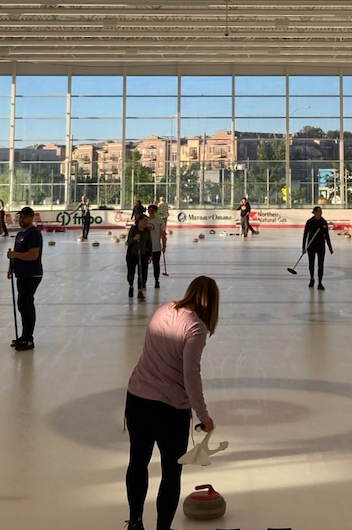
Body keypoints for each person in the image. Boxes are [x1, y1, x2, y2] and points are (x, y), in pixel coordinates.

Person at [125, 276, 220, 530]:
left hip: (137, 398)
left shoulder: (164, 309)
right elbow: (191, 376)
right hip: (169, 411)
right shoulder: (196, 328)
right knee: (170, 472)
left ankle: (135, 521)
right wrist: (204, 416)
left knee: (137, 461)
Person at [6, 207, 43, 351]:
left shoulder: (33, 234)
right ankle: (24, 336)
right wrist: (12, 266)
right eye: (20, 217)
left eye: (25, 217)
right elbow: (18, 253)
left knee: (26, 305)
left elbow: (33, 255)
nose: (22, 220)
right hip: (21, 274)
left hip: (32, 274)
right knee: (22, 305)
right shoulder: (20, 234)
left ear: (31, 218)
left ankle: (29, 339)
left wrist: (15, 256)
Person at [302, 206, 334, 290]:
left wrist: (330, 247)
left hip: (321, 246)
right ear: (315, 212)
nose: (321, 213)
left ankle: (320, 282)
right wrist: (303, 247)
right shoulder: (309, 222)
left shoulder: (323, 222)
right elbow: (305, 235)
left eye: (321, 211)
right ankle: (312, 278)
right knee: (311, 264)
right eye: (319, 211)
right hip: (311, 246)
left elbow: (327, 236)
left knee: (321, 264)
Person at [126, 214, 154, 302]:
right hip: (132, 255)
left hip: (143, 254)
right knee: (131, 273)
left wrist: (150, 255)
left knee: (142, 274)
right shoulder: (133, 229)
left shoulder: (147, 231)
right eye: (145, 220)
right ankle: (131, 286)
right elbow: (128, 242)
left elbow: (149, 243)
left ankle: (140, 291)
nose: (147, 223)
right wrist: (134, 238)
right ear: (140, 221)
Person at [147, 204, 167, 290]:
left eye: (153, 210)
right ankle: (143, 282)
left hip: (156, 247)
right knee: (144, 266)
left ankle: (156, 280)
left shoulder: (159, 221)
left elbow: (163, 234)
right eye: (150, 210)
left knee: (156, 265)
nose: (151, 212)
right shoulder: (144, 220)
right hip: (146, 247)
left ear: (155, 211)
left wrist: (164, 244)